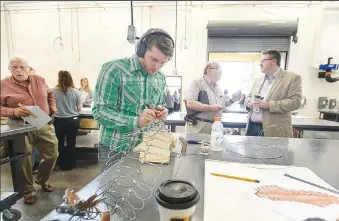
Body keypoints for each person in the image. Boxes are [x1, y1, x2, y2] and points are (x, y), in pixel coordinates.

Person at [93, 28, 174, 171]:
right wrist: (136, 121)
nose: (157, 66)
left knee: (141, 191)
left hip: (147, 147)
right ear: (141, 50)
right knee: (112, 192)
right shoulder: (114, 70)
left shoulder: (160, 77)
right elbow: (100, 111)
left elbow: (158, 104)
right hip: (115, 148)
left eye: (163, 62)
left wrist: (161, 111)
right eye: (154, 59)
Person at [0, 56, 58, 204]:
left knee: (52, 154)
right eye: (14, 67)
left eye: (22, 67)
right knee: (24, 159)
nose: (19, 70)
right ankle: (28, 190)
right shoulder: (3, 84)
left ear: (28, 68)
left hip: (41, 120)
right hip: (18, 124)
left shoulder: (40, 80)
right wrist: (13, 112)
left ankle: (41, 179)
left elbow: (50, 93)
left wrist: (52, 107)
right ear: (10, 69)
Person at [244, 49, 302, 137]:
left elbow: (295, 102)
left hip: (275, 130)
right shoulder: (258, 79)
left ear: (273, 61)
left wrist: (269, 105)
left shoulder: (292, 78)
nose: (260, 63)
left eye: (263, 60)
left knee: (273, 151)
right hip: (252, 127)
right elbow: (248, 97)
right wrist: (249, 103)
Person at [183, 62, 242, 134]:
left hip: (214, 128)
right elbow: (190, 103)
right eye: (219, 70)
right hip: (198, 128)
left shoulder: (218, 87)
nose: (221, 73)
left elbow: (220, 105)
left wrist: (232, 100)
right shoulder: (196, 83)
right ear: (209, 70)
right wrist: (211, 108)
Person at [53, 71, 83, 171]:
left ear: (58, 79)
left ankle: (61, 163)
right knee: (71, 142)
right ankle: (71, 164)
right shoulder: (76, 92)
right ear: (70, 79)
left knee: (60, 142)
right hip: (72, 120)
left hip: (58, 121)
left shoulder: (52, 91)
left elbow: (51, 107)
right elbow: (79, 108)